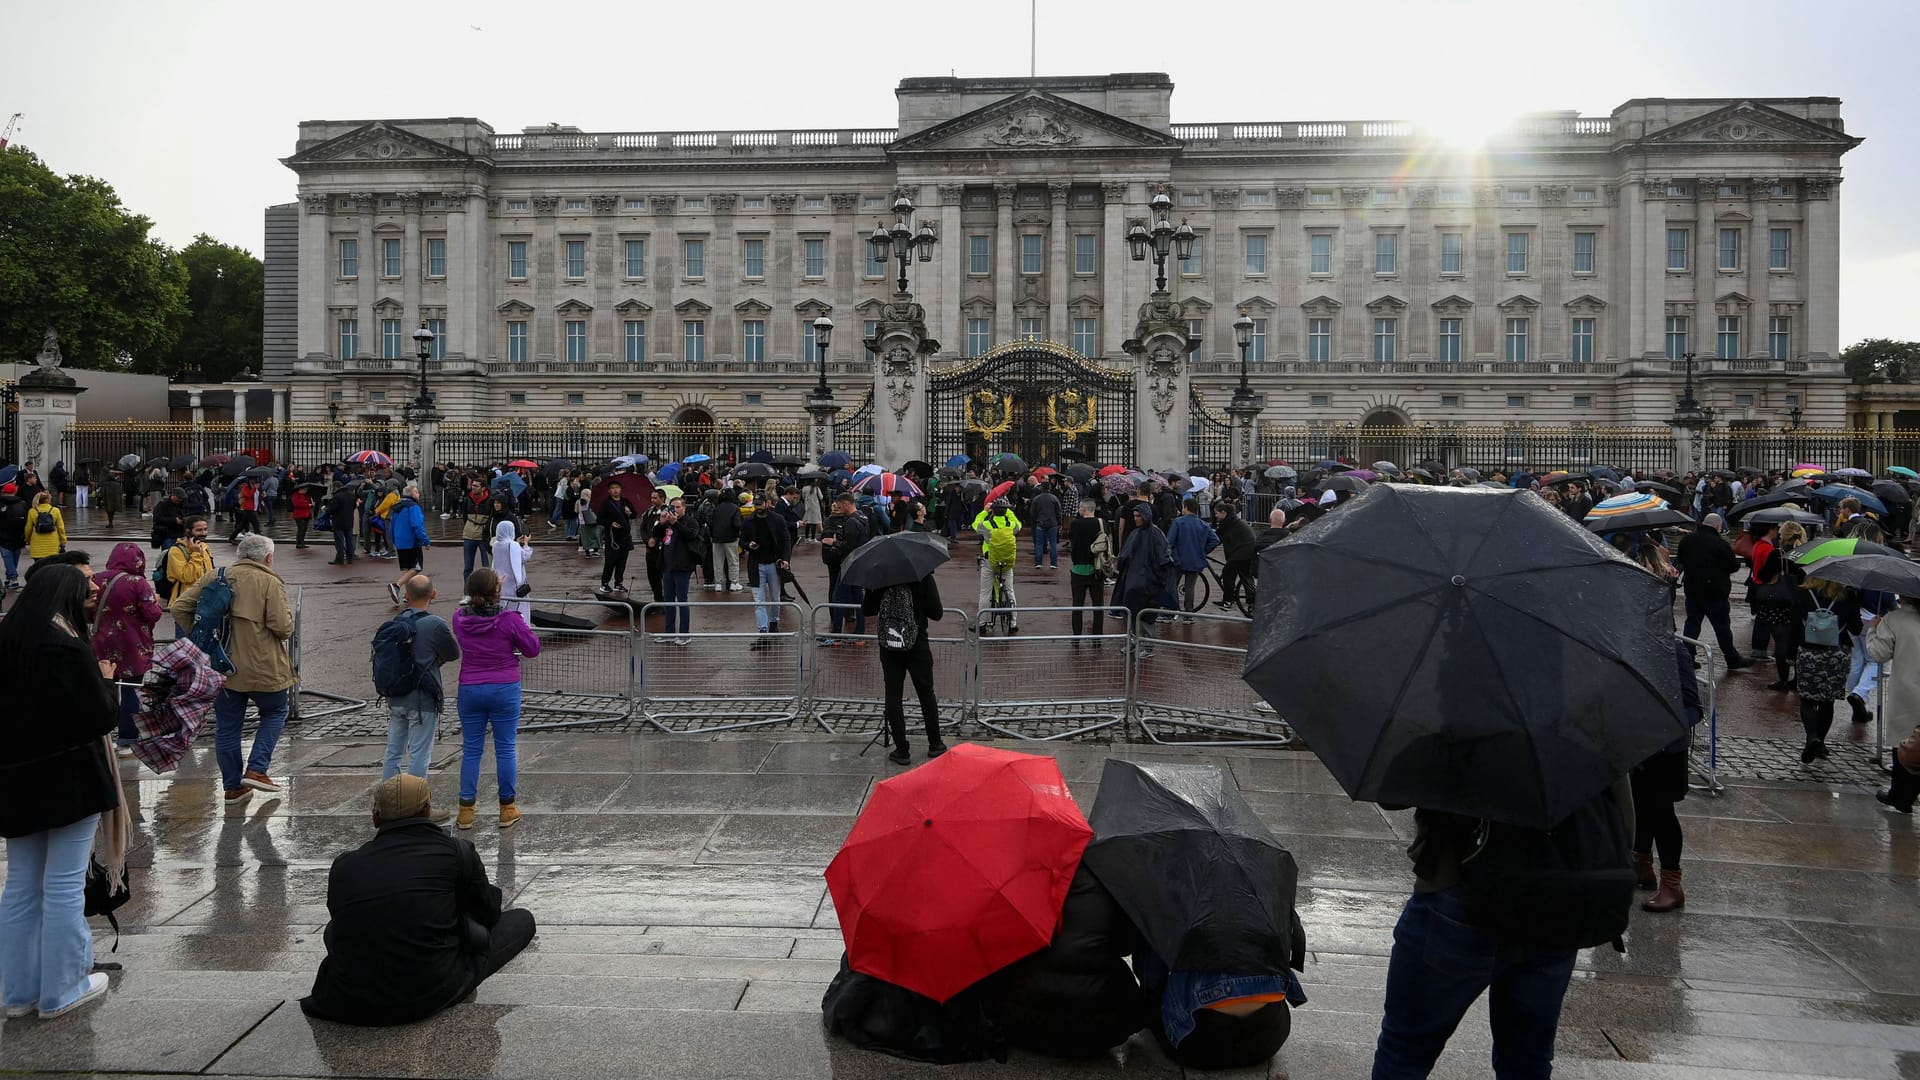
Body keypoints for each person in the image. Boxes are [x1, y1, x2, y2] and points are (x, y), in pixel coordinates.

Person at [299, 775, 537, 1026]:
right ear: (427, 811)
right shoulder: (456, 852)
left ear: (375, 817)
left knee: (337, 927)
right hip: (427, 992)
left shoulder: (343, 865)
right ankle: (451, 978)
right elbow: (488, 913)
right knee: (521, 920)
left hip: (348, 999)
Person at [0, 564, 121, 1020]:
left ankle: (16, 992)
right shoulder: (68, 647)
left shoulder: (6, 640)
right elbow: (101, 716)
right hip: (70, 779)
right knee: (64, 885)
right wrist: (105, 677)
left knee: (21, 887)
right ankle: (61, 989)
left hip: (12, 779)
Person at [171, 533, 296, 802]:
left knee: (228, 726)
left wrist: (200, 637)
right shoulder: (269, 581)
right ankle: (257, 769)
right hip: (263, 665)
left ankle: (232, 787)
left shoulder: (216, 575)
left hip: (220, 664)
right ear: (268, 558)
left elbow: (180, 606)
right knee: (275, 711)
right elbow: (283, 628)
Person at [452, 568, 542, 830]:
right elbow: (532, 649)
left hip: (470, 685)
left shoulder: (459, 618)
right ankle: (507, 807)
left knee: (471, 749)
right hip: (503, 685)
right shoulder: (509, 619)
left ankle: (466, 811)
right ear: (497, 592)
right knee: (505, 747)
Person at [1633, 639, 1705, 915]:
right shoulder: (1627, 640)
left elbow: (1692, 707)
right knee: (1639, 805)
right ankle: (1642, 865)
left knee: (1661, 812)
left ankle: (1672, 884)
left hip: (1664, 748)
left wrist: (1659, 729)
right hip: (1635, 743)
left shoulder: (1672, 649)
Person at [862, 564, 947, 765]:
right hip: (918, 642)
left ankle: (901, 749)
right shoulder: (922, 575)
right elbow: (937, 613)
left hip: (889, 646)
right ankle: (935, 743)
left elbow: (867, 610)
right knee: (926, 692)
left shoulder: (880, 576)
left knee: (893, 694)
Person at [381, 575, 462, 784]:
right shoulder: (435, 624)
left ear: (406, 596)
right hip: (423, 697)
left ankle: (390, 799)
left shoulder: (396, 622)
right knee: (419, 753)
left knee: (393, 752)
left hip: (396, 694)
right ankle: (415, 804)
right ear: (433, 595)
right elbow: (453, 653)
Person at [91, 543, 166, 754]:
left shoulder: (97, 579)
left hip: (102, 642)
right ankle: (127, 738)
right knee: (131, 690)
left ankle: (103, 737)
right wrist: (157, 603)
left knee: (106, 687)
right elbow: (153, 614)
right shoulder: (138, 583)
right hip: (133, 644)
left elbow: (88, 611)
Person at [1791, 576, 1863, 765]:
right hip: (1837, 653)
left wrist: (1790, 652)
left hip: (1809, 651)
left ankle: (1811, 737)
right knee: (1827, 701)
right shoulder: (1847, 596)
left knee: (1807, 698)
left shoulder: (1802, 593)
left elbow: (1793, 624)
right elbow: (1856, 629)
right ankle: (1820, 742)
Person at [1866, 597, 1920, 814]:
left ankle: (1900, 795)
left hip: (1908, 690)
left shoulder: (1895, 619)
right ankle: (1906, 795)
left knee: (1905, 742)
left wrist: (1873, 630)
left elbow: (1878, 653)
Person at [1676, 514, 1752, 669]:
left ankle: (1687, 656)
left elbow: (1681, 559)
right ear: (1718, 526)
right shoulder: (1719, 543)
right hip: (1715, 591)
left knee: (1692, 624)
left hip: (1692, 589)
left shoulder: (1687, 540)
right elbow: (1733, 566)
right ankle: (1731, 658)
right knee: (1722, 626)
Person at [1752, 521, 1806, 690]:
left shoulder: (1778, 554)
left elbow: (1762, 574)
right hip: (1800, 600)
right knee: (1798, 640)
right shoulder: (1806, 554)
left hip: (1778, 601)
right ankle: (1797, 679)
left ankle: (1783, 679)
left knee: (1781, 641)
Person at [1115, 502, 1173, 657]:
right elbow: (1126, 554)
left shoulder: (1155, 534)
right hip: (1131, 580)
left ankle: (1147, 645)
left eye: (1139, 516)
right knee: (1129, 612)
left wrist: (1157, 578)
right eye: (1134, 516)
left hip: (1147, 582)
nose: (1136, 519)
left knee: (1145, 614)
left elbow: (1164, 558)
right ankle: (1134, 641)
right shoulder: (1136, 533)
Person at [821, 491, 871, 643]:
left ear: (847, 504)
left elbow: (849, 546)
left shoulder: (851, 522)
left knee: (838, 597)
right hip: (859, 563)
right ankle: (859, 633)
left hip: (849, 564)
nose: (839, 508)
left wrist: (834, 543)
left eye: (841, 506)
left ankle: (836, 634)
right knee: (858, 598)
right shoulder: (863, 518)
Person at [744, 491, 792, 646]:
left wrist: (785, 559)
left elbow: (786, 540)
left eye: (760, 504)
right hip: (756, 564)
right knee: (759, 600)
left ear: (767, 503)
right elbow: (742, 540)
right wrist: (748, 545)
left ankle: (773, 623)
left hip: (774, 563)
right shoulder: (748, 521)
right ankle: (763, 631)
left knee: (775, 597)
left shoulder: (777, 519)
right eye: (756, 504)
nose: (758, 507)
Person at [971, 497, 1022, 635]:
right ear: (1005, 511)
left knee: (985, 593)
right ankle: (1013, 623)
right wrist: (1009, 511)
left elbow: (975, 524)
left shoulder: (987, 525)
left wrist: (985, 511)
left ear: (993, 511)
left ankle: (981, 624)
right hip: (1007, 563)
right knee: (1010, 592)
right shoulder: (1011, 525)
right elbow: (1019, 524)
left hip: (990, 562)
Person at [162, 515, 216, 638]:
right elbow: (187, 577)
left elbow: (209, 573)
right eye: (199, 530)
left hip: (205, 603)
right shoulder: (176, 551)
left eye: (205, 529)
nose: (204, 533)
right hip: (185, 605)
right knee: (185, 646)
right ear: (188, 531)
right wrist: (196, 554)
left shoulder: (205, 547)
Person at [1166, 498, 1219, 620]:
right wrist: (1203, 551)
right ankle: (1188, 615)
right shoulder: (1204, 525)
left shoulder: (1178, 522)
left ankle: (1171, 612)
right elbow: (1215, 540)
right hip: (1196, 560)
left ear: (1186, 507)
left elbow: (1170, 542)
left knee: (1172, 586)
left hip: (1179, 560)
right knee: (1190, 588)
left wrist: (1174, 556)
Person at [659, 497, 699, 645]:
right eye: (672, 507)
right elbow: (656, 534)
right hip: (667, 566)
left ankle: (684, 634)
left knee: (682, 600)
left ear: (684, 508)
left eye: (677, 507)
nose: (673, 510)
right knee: (668, 601)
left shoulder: (690, 521)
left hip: (682, 567)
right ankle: (669, 633)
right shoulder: (667, 523)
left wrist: (676, 523)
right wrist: (662, 523)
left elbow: (691, 535)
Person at [384, 482, 431, 606]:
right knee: (416, 567)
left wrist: (394, 539)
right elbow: (416, 525)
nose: (418, 494)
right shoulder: (413, 507)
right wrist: (425, 540)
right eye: (416, 492)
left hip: (400, 541)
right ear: (412, 494)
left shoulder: (397, 507)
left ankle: (408, 595)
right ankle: (396, 585)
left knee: (406, 570)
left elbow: (391, 526)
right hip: (412, 541)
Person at [1066, 502, 1108, 639]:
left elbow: (1072, 542)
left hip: (1078, 568)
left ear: (1084, 509)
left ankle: (1076, 637)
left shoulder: (1076, 524)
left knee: (1077, 606)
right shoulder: (1102, 523)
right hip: (1097, 568)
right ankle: (1097, 637)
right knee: (1098, 606)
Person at [1212, 501, 1256, 612]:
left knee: (1228, 572)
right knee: (1245, 576)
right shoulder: (1233, 520)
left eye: (1216, 513)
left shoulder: (1227, 523)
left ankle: (1228, 601)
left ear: (1223, 513)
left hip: (1242, 551)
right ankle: (1252, 601)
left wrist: (1203, 550)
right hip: (1249, 550)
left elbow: (1216, 539)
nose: (1215, 516)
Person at [490, 520, 533, 620]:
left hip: (501, 583)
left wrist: (516, 542)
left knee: (503, 610)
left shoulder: (495, 545)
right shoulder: (513, 546)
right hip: (515, 585)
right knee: (519, 611)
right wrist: (526, 544)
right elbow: (525, 557)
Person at [599, 481, 637, 593]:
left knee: (622, 562)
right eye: (612, 488)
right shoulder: (606, 503)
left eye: (617, 487)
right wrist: (610, 523)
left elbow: (634, 515)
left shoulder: (625, 502)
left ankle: (618, 583)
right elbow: (599, 519)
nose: (615, 490)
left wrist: (629, 513)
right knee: (610, 561)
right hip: (612, 538)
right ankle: (605, 583)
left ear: (621, 489)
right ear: (609, 491)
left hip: (624, 537)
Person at [707, 484, 744, 593]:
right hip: (731, 537)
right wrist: (737, 534)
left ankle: (718, 583)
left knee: (717, 561)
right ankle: (734, 583)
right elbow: (737, 524)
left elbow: (710, 522)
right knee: (733, 561)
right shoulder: (735, 508)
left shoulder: (717, 508)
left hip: (716, 537)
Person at [458, 479, 493, 579]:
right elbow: (464, 516)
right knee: (468, 568)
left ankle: (487, 591)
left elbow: (491, 518)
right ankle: (467, 592)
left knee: (486, 567)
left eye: (476, 486)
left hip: (483, 536)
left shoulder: (490, 500)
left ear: (483, 488)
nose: (473, 487)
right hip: (469, 535)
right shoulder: (467, 499)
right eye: (472, 485)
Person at [25, 492, 66, 568]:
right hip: (52, 544)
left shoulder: (32, 511)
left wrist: (28, 539)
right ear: (48, 500)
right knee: (52, 567)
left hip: (37, 544)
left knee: (39, 567)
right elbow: (61, 527)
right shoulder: (55, 510)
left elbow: (28, 528)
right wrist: (63, 540)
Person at [0, 482, 27, 591]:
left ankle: (13, 578)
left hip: (3, 536)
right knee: (14, 557)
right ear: (14, 491)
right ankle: (9, 577)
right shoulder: (22, 503)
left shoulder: (1, 504)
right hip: (19, 535)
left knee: (7, 558)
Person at [326, 480, 361, 566]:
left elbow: (332, 509)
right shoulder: (351, 495)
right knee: (349, 540)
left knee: (339, 541)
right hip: (349, 521)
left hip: (338, 521)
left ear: (336, 487)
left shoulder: (337, 496)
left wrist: (327, 509)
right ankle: (350, 558)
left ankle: (340, 558)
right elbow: (354, 506)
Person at [1028, 482, 1062, 569]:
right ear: (1049, 488)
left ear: (1041, 488)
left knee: (1039, 544)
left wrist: (1036, 519)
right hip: (1052, 523)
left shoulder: (1036, 499)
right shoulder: (1054, 498)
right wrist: (1059, 522)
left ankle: (1038, 562)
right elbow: (1058, 512)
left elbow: (1032, 512)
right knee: (1053, 543)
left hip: (1040, 523)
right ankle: (1053, 563)